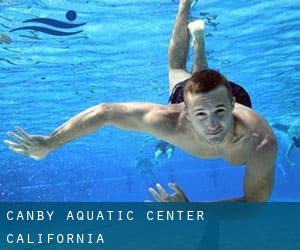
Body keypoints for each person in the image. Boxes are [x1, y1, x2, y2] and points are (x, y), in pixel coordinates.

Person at [4, 0, 277, 202]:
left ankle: (199, 43)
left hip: (224, 99)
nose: (214, 124)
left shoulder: (260, 140)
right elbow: (105, 112)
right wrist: (50, 142)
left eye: (220, 111)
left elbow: (254, 204)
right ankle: (185, 6)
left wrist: (193, 210)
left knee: (184, 74)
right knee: (178, 71)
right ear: (184, 110)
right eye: (201, 115)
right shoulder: (170, 120)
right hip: (203, 96)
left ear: (232, 105)